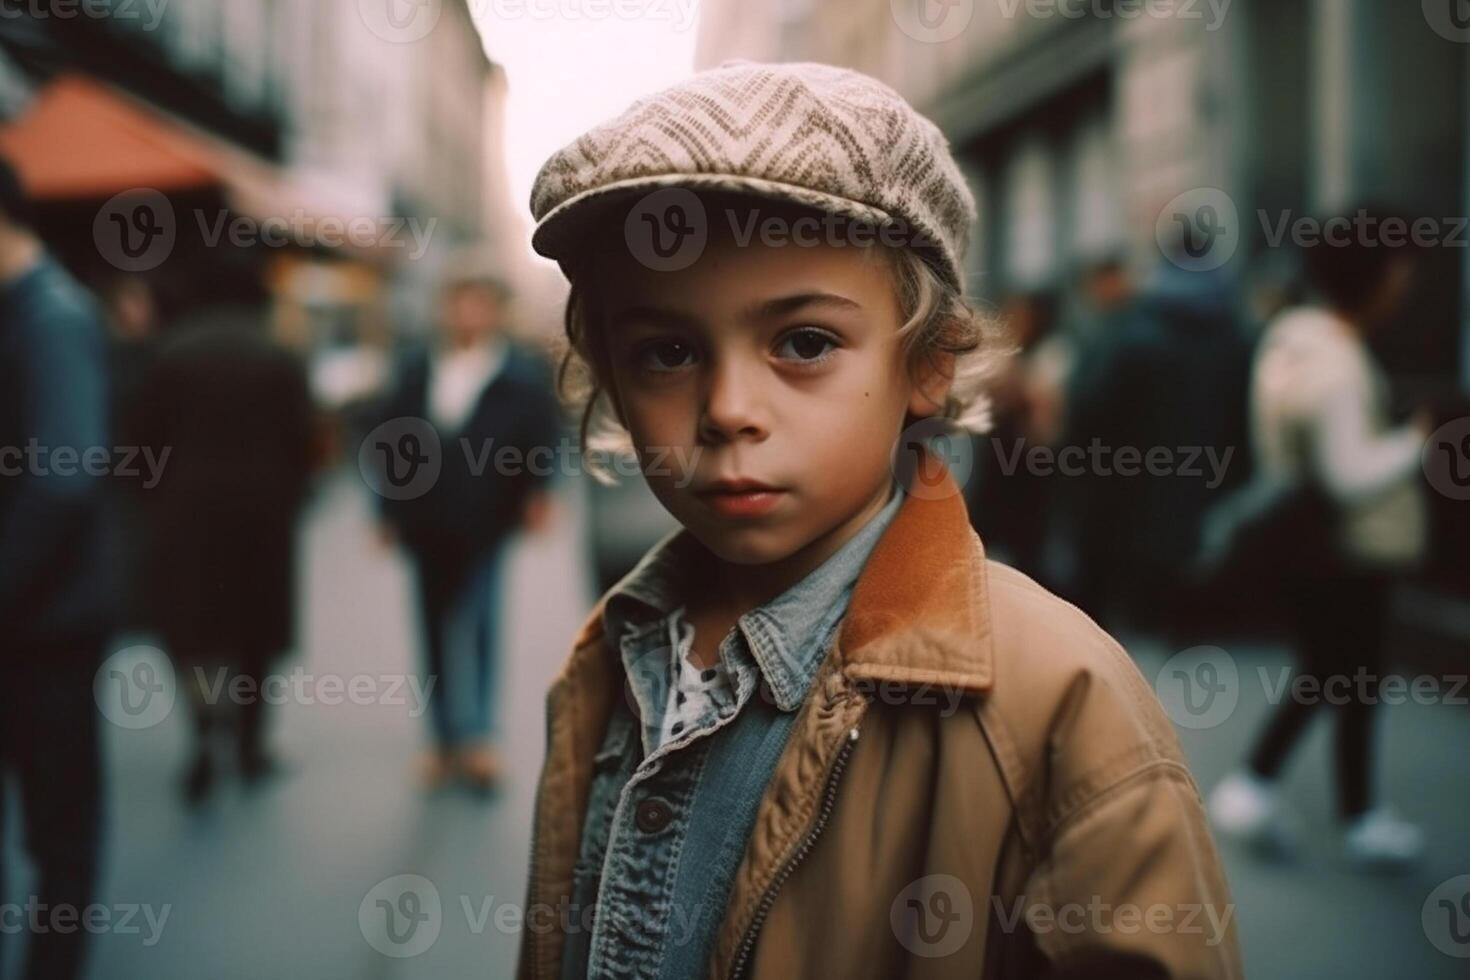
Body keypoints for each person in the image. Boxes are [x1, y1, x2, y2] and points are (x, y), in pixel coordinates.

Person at [515, 62, 1240, 979]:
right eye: (666, 352)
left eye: (805, 343)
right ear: (611, 378)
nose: (728, 408)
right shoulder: (611, 653)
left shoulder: (1059, 704)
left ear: (929, 363)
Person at [1208, 208, 1433, 870]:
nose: (1406, 286)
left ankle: (1287, 796)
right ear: (1374, 277)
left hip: (1309, 547)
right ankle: (1321, 805)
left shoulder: (1289, 342)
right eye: (1398, 271)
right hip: (1348, 550)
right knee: (1347, 678)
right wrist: (1414, 444)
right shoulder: (1334, 362)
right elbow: (1348, 474)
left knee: (1336, 676)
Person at [375, 272, 562, 792]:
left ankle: (479, 737)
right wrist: (385, 512)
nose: (467, 315)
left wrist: (539, 495)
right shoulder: (415, 369)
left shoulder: (518, 373)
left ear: (494, 310)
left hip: (486, 518)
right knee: (431, 627)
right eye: (458, 303)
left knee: (480, 622)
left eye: (478, 304)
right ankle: (440, 739)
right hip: (425, 517)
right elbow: (389, 441)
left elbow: (541, 439)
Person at [133, 300, 318, 804]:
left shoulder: (169, 354)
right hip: (263, 512)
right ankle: (251, 744)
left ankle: (203, 731)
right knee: (255, 628)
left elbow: (141, 439)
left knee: (196, 628)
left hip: (186, 514)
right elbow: (305, 437)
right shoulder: (279, 355)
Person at [0, 156, 111, 980]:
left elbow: (62, 480)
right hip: (30, 616)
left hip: (48, 627)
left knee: (59, 826)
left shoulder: (53, 316)